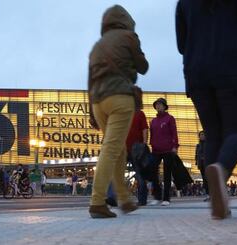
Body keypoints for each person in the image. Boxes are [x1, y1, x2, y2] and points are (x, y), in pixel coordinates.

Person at [175, 0, 237, 219]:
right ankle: (220, 171)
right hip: (232, 65)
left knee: (212, 135)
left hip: (197, 71)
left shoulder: (183, 3)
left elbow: (181, 45)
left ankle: (216, 198)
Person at [87, 5, 149, 218]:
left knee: (119, 150)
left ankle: (123, 199)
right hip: (120, 98)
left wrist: (90, 112)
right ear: (126, 21)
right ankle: (97, 202)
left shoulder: (97, 46)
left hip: (97, 103)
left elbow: (89, 81)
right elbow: (143, 67)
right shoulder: (129, 37)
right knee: (112, 149)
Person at [149, 98, 179, 206]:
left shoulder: (170, 119)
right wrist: (152, 145)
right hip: (156, 150)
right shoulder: (153, 121)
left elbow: (174, 133)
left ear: (165, 106)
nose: (158, 106)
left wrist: (175, 146)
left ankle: (166, 198)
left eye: (160, 104)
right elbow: (152, 135)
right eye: (156, 104)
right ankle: (157, 196)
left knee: (167, 174)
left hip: (168, 150)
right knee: (152, 171)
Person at [195, 131, 209, 201]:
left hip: (208, 164)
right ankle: (208, 194)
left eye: (203, 134)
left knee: (209, 179)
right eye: (201, 135)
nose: (202, 136)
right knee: (204, 179)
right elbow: (196, 155)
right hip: (201, 164)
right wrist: (197, 163)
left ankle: (212, 194)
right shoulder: (198, 145)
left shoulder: (209, 144)